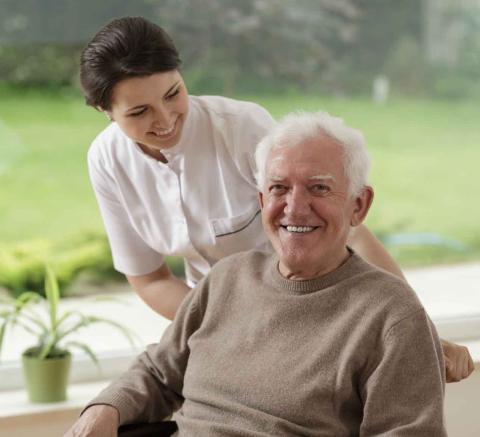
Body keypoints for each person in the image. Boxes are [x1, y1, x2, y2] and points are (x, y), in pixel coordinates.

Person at [79, 16, 473, 382]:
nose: (164, 120)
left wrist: (422, 334)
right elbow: (150, 278)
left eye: (172, 94)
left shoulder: (241, 129)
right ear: (105, 111)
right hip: (216, 318)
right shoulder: (107, 161)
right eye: (140, 111)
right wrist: (224, 325)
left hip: (313, 299)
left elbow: (347, 232)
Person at [66, 111, 447, 436]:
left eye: (318, 188)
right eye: (279, 188)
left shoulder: (391, 316)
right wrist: (105, 408)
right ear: (262, 200)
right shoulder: (227, 278)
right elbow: (159, 372)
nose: (295, 209)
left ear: (358, 205)